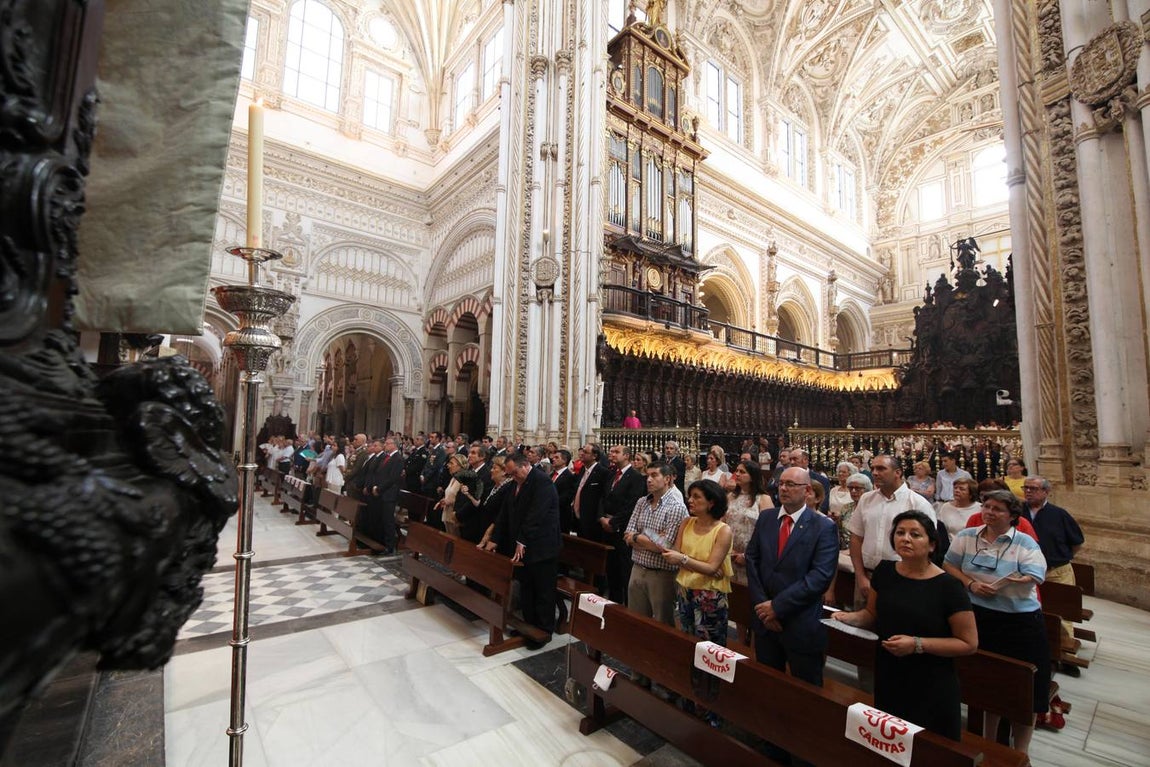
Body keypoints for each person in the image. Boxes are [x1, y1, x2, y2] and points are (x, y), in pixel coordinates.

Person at [832, 510, 978, 740]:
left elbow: (968, 643)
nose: (906, 539)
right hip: (890, 670)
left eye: (915, 534)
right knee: (889, 740)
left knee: (929, 747)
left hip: (930, 679)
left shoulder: (948, 587)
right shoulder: (885, 571)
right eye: (900, 533)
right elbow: (872, 613)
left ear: (931, 545)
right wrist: (850, 618)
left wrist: (917, 644)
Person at [943, 490, 1050, 754]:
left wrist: (1014, 582)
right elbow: (949, 564)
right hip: (980, 616)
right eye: (987, 507)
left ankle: (1021, 751)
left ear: (1012, 515)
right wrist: (970, 583)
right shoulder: (968, 536)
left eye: (997, 509)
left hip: (1019, 622)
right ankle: (989, 743)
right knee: (989, 684)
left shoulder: (1024, 542)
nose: (989, 512)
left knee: (1025, 688)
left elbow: (1035, 574)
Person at [745, 467, 838, 688]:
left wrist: (777, 607)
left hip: (800, 623)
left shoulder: (823, 526)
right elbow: (752, 559)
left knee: (805, 691)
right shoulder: (767, 518)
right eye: (781, 484)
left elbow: (820, 577)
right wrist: (763, 607)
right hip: (765, 622)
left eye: (790, 485)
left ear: (807, 490)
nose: (783, 489)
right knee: (768, 685)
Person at [486, 452, 560, 645]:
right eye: (510, 474)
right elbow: (505, 512)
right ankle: (528, 626)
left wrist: (522, 540)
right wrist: (495, 538)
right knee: (527, 588)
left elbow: (537, 515)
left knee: (542, 590)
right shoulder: (516, 483)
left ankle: (543, 632)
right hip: (523, 545)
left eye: (515, 473)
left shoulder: (542, 482)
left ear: (526, 465)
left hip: (542, 546)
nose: (513, 477)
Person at [848, 455, 937, 607]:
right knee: (861, 626)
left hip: (903, 578)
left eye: (881, 468)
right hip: (867, 575)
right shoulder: (866, 499)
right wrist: (860, 576)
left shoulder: (917, 503)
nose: (875, 473)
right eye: (873, 468)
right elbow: (856, 539)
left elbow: (927, 547)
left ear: (898, 472)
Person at [1021, 475, 1085, 662]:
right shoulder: (1018, 512)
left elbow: (1077, 542)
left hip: (1056, 570)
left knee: (1062, 613)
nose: (1028, 492)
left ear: (1046, 492)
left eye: (1033, 488)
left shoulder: (1059, 514)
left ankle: (1064, 653)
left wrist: (1060, 558)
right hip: (1027, 572)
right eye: (1026, 488)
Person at [664, 479, 733, 644]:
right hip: (685, 590)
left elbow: (710, 568)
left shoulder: (723, 530)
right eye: (690, 496)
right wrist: (698, 564)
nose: (690, 500)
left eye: (696, 497)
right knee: (687, 639)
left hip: (709, 595)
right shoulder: (687, 522)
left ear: (711, 502)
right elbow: (675, 555)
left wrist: (685, 559)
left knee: (709, 645)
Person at [622, 462, 689, 626]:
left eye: (654, 475)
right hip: (637, 568)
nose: (649, 480)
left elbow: (665, 546)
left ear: (667, 479)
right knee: (635, 622)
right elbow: (627, 535)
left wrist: (638, 537)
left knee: (662, 623)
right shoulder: (641, 502)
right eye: (647, 475)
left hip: (661, 575)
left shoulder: (676, 507)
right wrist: (649, 538)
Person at [600, 444, 648, 603]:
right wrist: (601, 517)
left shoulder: (635, 477)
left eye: (616, 452)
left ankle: (626, 606)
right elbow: (602, 497)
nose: (611, 454)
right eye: (611, 451)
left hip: (622, 527)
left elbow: (631, 504)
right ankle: (613, 602)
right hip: (606, 525)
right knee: (610, 569)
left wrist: (613, 521)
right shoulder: (611, 473)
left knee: (623, 570)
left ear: (626, 456)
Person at [724, 460, 774, 584]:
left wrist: (747, 556)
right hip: (730, 554)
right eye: (737, 471)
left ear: (752, 476)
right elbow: (721, 523)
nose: (737, 474)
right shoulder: (730, 496)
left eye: (742, 472)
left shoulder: (763, 499)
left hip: (751, 557)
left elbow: (769, 532)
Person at [474, 456, 514, 549]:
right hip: (483, 528)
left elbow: (501, 514)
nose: (491, 470)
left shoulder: (508, 489)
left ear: (504, 472)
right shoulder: (492, 487)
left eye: (494, 468)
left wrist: (489, 533)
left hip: (495, 536)